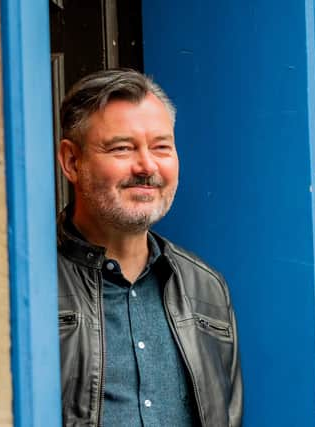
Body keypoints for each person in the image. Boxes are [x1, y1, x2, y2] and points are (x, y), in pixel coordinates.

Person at [56, 69, 242, 427]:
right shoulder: (25, 285)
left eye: (161, 147)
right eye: (123, 148)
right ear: (72, 162)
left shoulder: (207, 289)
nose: (147, 166)